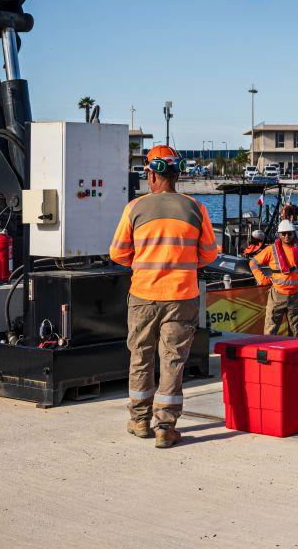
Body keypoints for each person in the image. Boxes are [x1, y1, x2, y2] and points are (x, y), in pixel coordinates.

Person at [109, 145, 219, 449]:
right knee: (172, 360)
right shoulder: (196, 208)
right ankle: (165, 427)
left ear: (151, 173)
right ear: (177, 173)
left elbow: (117, 253)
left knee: (140, 357)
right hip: (182, 295)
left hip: (144, 294)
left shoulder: (135, 208)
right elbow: (209, 254)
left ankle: (139, 420)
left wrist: (146, 261)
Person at [248, 219, 298, 336]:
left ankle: (294, 353)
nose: (287, 236)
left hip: (294, 296)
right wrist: (262, 279)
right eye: (283, 234)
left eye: (289, 233)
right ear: (279, 235)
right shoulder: (271, 250)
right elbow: (253, 263)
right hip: (276, 295)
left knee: (295, 332)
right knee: (270, 330)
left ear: (294, 234)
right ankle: (268, 353)